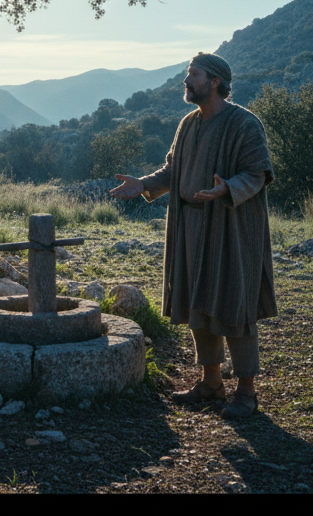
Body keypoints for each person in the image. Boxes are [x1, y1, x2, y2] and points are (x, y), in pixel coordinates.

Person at [110, 52, 276, 419]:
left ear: (215, 81)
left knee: (235, 304)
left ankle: (246, 391)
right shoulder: (188, 124)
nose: (186, 82)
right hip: (189, 227)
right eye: (188, 75)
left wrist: (226, 189)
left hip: (230, 226)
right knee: (199, 303)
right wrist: (142, 184)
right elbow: (173, 169)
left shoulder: (244, 124)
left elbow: (258, 173)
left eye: (193, 75)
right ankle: (211, 382)